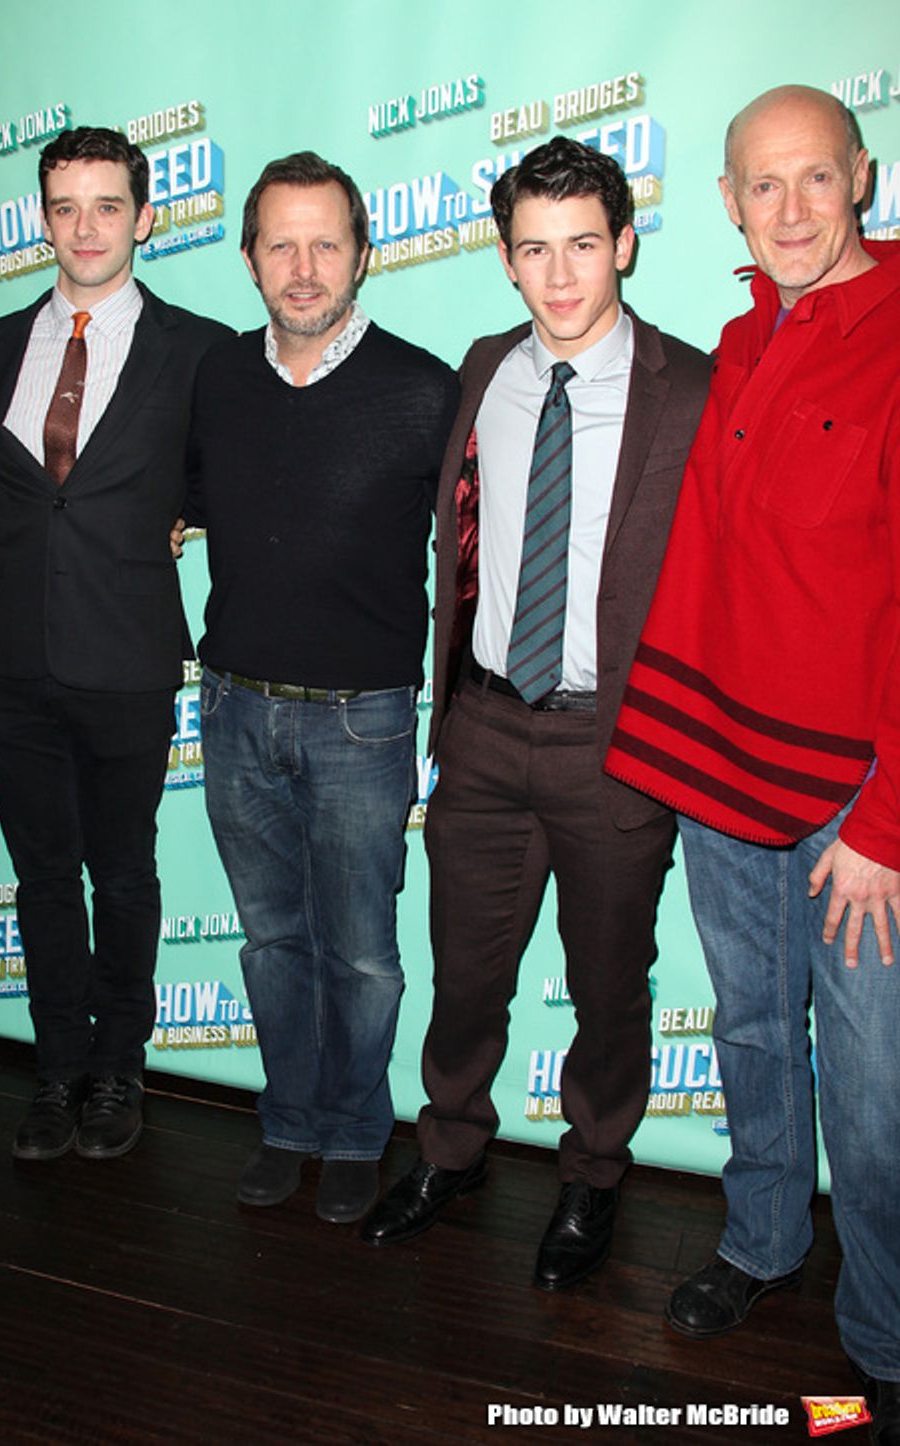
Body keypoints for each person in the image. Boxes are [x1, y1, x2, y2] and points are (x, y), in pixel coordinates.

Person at [361, 137, 710, 1289]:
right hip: (485, 730)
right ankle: (450, 1148)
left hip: (616, 742)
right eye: (533, 250)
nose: (560, 275)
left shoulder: (693, 388)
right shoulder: (482, 369)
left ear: (624, 244)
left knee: (609, 984)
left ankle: (593, 1175)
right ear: (506, 260)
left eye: (581, 246)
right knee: (465, 970)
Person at [606, 86, 899, 1435]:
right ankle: (765, 1239)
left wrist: (888, 818)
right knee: (746, 1031)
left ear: (863, 179)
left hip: (858, 798)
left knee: (878, 1081)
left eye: (814, 181)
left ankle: (885, 1335)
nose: (789, 210)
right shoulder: (736, 340)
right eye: (761, 185)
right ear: (728, 200)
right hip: (724, 772)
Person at [187, 152, 458, 1224]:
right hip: (233, 708)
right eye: (281, 245)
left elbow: (470, 554)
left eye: (326, 244)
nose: (304, 269)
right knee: (269, 942)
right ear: (249, 256)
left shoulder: (423, 389)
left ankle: (354, 1131)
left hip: (365, 722)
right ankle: (289, 1121)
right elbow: (192, 497)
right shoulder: (215, 378)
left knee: (362, 956)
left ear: (364, 254)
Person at [0, 127, 228, 1163]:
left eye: (107, 206)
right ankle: (57, 1068)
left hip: (126, 659)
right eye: (65, 207)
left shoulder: (199, 350)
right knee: (39, 878)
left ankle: (119, 1065)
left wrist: (178, 513)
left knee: (122, 874)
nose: (85, 227)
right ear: (41, 217)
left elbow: (220, 475)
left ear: (144, 217)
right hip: (8, 660)